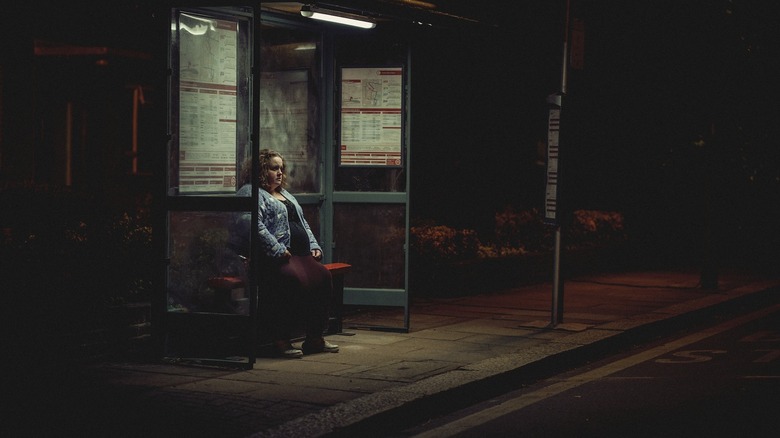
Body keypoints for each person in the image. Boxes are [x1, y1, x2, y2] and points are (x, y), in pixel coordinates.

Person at [236, 149, 338, 358]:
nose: (280, 173)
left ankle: (314, 339)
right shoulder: (251, 192)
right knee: (292, 282)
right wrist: (277, 249)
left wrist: (313, 244)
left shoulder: (285, 194)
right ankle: (280, 340)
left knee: (323, 277)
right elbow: (252, 225)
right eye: (274, 168)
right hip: (276, 258)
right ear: (262, 170)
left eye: (281, 168)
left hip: (302, 256)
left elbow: (303, 223)